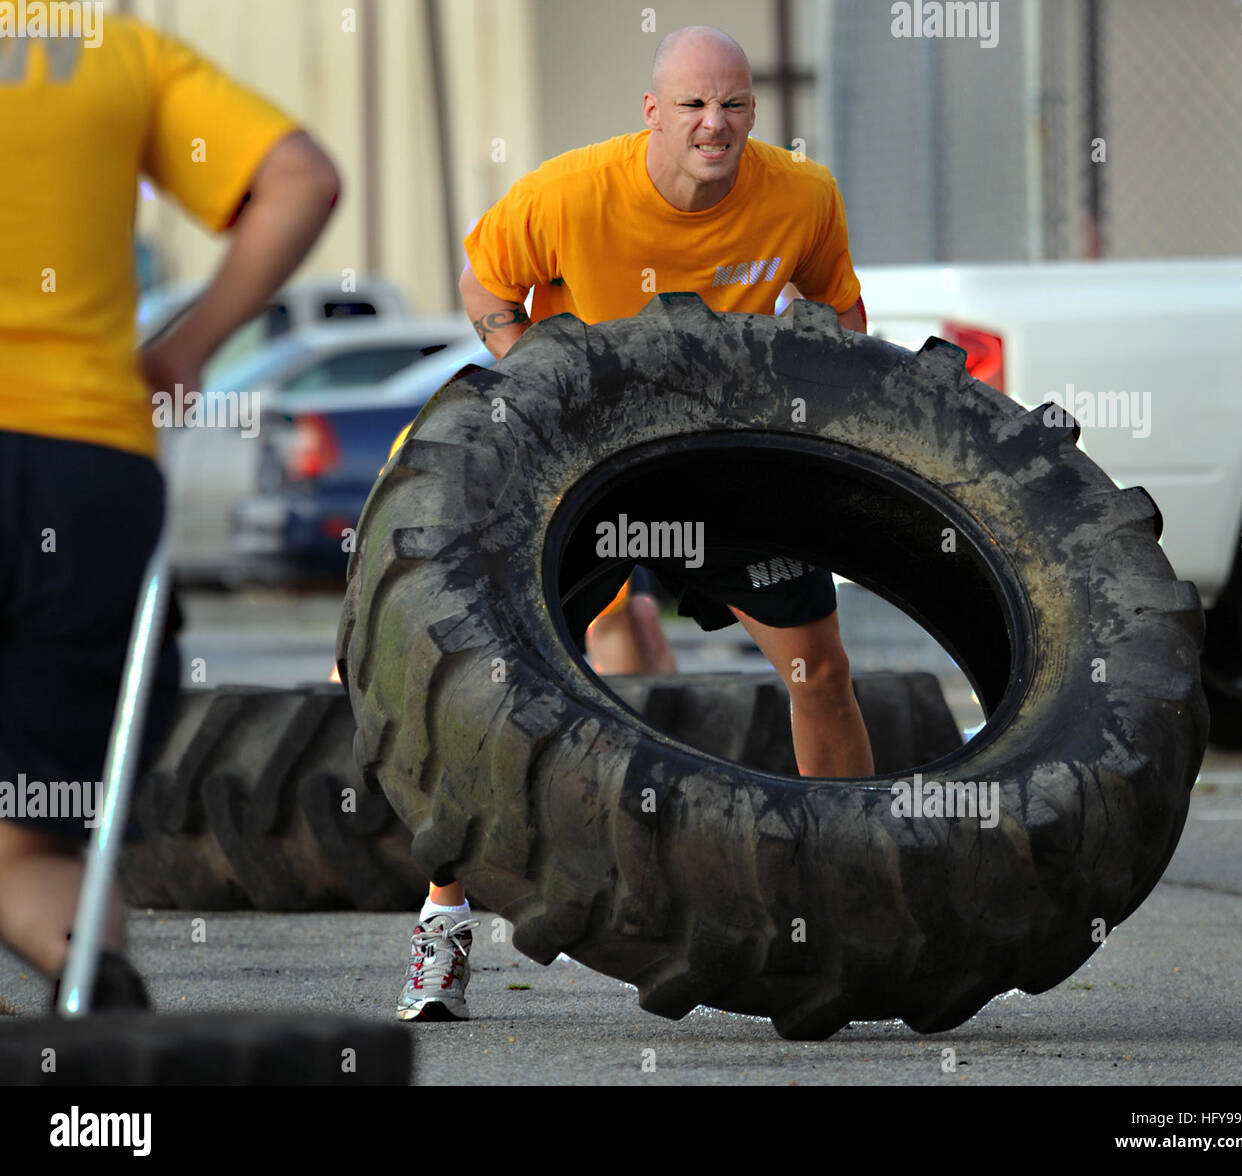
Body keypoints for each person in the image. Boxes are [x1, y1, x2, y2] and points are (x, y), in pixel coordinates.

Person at [395, 25, 874, 1022]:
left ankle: (847, 892)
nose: (717, 125)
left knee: (818, 669)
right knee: (499, 692)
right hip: (586, 469)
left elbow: (838, 315)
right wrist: (528, 362)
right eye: (695, 105)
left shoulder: (801, 194)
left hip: (720, 468)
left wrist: (803, 386)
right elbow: (486, 281)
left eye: (734, 104)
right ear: (652, 111)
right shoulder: (571, 192)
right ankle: (441, 932)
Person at [0, 5, 339, 1010]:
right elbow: (302, 180)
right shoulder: (108, 46)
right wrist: (187, 347)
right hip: (86, 470)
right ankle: (92, 1003)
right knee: (36, 831)